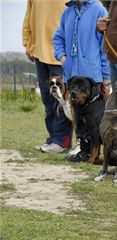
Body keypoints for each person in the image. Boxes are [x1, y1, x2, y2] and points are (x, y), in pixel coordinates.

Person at [53, 0, 110, 162]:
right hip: (72, 75)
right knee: (78, 118)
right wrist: (63, 58)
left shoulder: (99, 10)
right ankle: (83, 151)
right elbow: (57, 38)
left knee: (94, 120)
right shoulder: (67, 13)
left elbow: (104, 45)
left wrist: (106, 77)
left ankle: (96, 154)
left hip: (92, 79)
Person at [22, 0, 73, 153]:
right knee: (47, 98)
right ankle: (52, 138)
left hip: (60, 54)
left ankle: (62, 141)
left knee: (60, 100)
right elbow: (28, 17)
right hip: (39, 51)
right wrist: (27, 43)